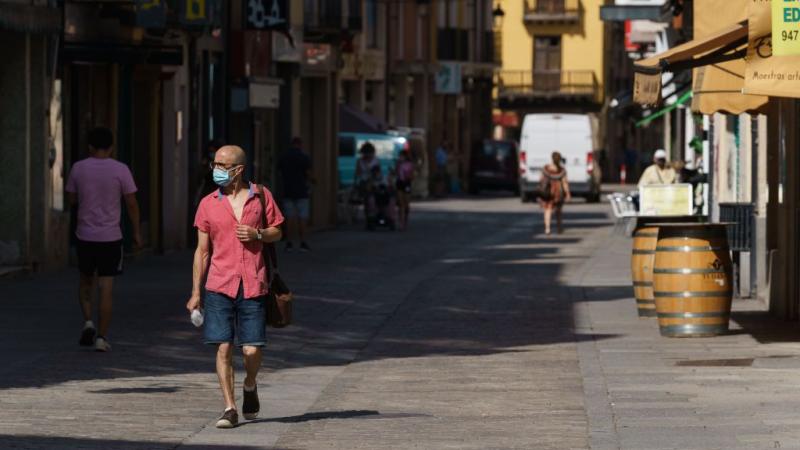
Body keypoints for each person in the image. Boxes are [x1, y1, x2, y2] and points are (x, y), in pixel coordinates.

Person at [187, 145, 284, 429]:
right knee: (223, 349)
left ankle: (250, 384)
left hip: (254, 282)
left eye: (221, 164)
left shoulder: (261, 196)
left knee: (251, 350)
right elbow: (201, 251)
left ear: (238, 169)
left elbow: (277, 230)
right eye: (214, 164)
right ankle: (229, 408)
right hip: (219, 284)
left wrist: (258, 233)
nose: (215, 169)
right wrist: (195, 292)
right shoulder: (208, 204)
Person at [66, 126, 141, 352]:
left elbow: (71, 200)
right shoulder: (121, 169)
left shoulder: (78, 168)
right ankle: (102, 337)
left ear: (89, 147)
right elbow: (131, 203)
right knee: (106, 287)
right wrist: (136, 232)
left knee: (85, 281)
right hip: (111, 238)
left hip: (84, 236)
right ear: (111, 147)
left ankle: (88, 320)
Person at [278, 137, 313, 252]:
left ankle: (289, 243)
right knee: (302, 218)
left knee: (289, 218)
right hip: (302, 191)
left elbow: (280, 172)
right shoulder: (304, 157)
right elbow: (308, 174)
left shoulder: (284, 157)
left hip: (288, 191)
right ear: (300, 145)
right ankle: (303, 242)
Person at [538, 151, 571, 235]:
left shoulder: (546, 168)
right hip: (558, 192)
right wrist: (567, 193)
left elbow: (541, 179)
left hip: (547, 191)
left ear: (552, 158)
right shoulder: (562, 170)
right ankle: (559, 228)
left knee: (547, 210)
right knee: (558, 211)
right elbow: (564, 183)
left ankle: (547, 229)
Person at [395, 150, 414, 230]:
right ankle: (401, 221)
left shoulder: (410, 164)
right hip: (400, 183)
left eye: (402, 156)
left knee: (406, 204)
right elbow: (396, 173)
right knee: (401, 203)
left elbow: (412, 175)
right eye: (400, 156)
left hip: (407, 183)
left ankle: (405, 220)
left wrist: (409, 176)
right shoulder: (398, 164)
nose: (400, 157)